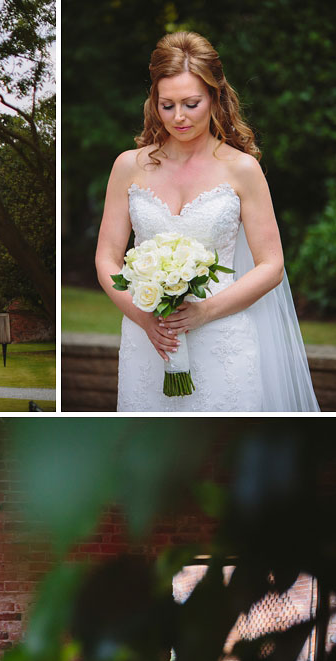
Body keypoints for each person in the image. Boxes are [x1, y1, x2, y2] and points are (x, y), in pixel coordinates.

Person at [95, 31, 318, 412]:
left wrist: (203, 312)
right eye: (167, 105)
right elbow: (106, 259)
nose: (178, 117)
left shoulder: (242, 169)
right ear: (154, 103)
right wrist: (143, 318)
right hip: (149, 337)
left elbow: (272, 265)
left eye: (191, 103)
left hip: (222, 334)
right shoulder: (128, 166)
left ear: (214, 97)